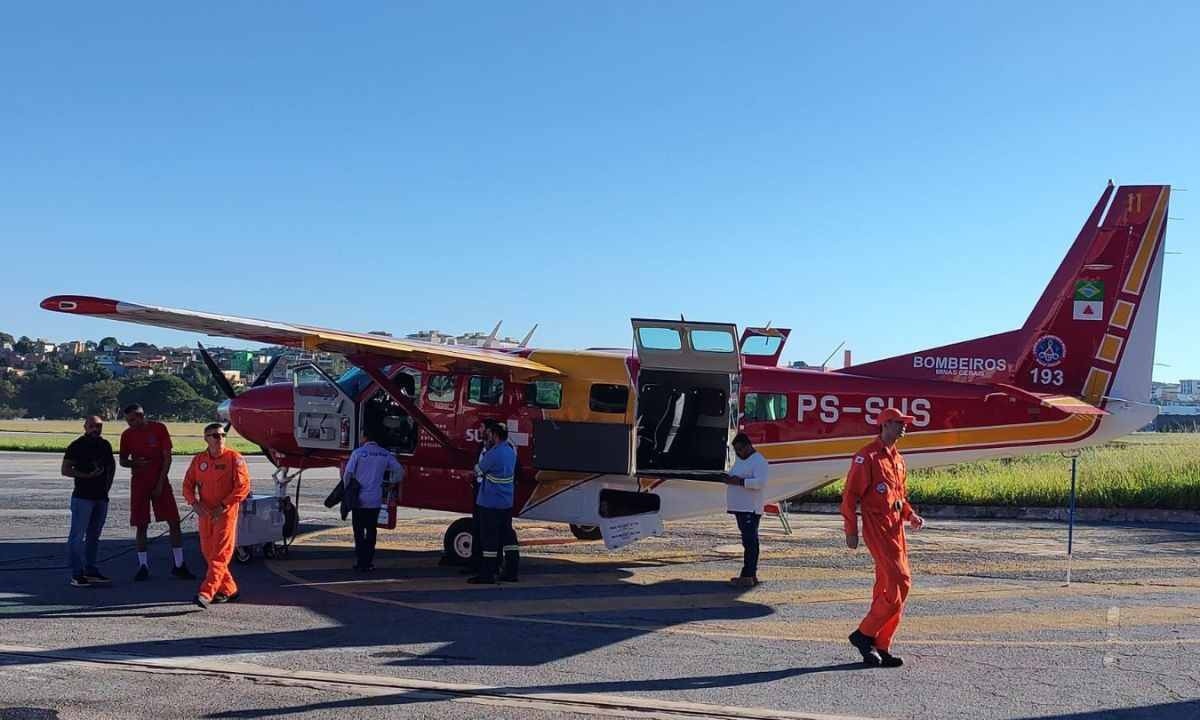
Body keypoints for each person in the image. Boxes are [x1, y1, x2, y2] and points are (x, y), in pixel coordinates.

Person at [841, 407, 926, 668]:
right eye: (900, 423)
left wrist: (910, 516)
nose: (905, 427)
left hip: (896, 529)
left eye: (905, 423)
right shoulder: (866, 457)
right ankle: (864, 634)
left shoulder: (898, 460)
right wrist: (851, 531)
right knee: (902, 582)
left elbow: (899, 497)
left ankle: (881, 645)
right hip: (877, 528)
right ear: (885, 424)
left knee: (886, 588)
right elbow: (850, 496)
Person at [119, 404, 193, 581]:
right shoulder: (127, 435)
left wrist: (160, 483)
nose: (130, 424)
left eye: (133, 420)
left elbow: (167, 457)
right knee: (141, 524)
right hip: (139, 482)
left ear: (141, 415)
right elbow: (122, 460)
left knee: (173, 521)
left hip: (159, 479)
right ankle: (143, 565)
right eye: (128, 421)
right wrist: (134, 464)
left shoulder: (159, 428)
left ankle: (179, 564)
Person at [182, 423, 251, 608]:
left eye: (222, 435)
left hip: (225, 514)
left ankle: (206, 592)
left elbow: (243, 487)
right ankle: (229, 589)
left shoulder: (234, 458)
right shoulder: (199, 460)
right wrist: (194, 503)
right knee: (208, 553)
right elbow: (188, 485)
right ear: (206, 438)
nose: (219, 438)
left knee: (219, 555)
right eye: (214, 435)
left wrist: (224, 505)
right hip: (205, 513)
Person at [62, 416, 116, 587]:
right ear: (85, 427)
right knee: (77, 536)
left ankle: (91, 569)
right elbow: (65, 470)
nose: (96, 429)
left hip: (101, 497)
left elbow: (111, 467)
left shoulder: (105, 445)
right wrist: (86, 476)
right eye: (92, 426)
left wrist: (107, 488)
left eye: (99, 426)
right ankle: (76, 573)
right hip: (82, 497)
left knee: (94, 536)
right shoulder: (77, 445)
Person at [342, 425, 405, 571]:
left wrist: (347, 489)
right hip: (375, 499)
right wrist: (391, 484)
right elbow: (400, 471)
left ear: (365, 437)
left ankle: (360, 561)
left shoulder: (358, 453)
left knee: (358, 531)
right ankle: (369, 561)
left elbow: (348, 474)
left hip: (359, 499)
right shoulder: (384, 454)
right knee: (371, 531)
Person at [468, 421, 516, 584]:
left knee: (489, 539)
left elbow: (479, 470)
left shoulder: (493, 453)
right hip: (506, 502)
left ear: (495, 435)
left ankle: (487, 574)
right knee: (507, 536)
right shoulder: (510, 451)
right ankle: (511, 571)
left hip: (490, 501)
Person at [723, 432, 770, 587]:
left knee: (750, 542)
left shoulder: (759, 461)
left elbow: (760, 483)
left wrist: (740, 482)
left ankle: (748, 575)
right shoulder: (742, 460)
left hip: (750, 508)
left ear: (749, 446)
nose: (738, 453)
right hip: (741, 508)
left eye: (740, 449)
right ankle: (749, 575)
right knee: (747, 541)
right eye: (736, 450)